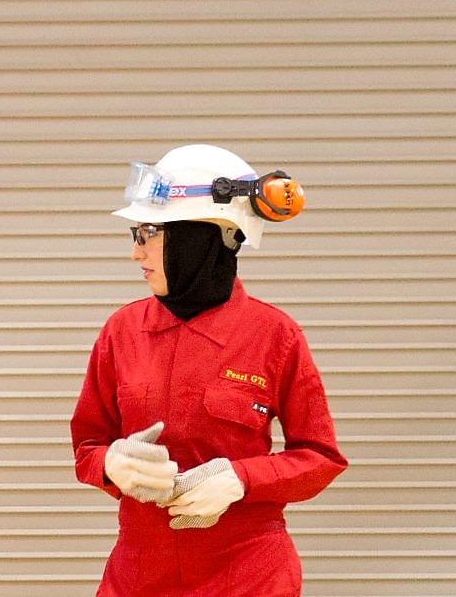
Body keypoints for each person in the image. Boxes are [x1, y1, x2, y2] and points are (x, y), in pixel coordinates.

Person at [70, 144, 348, 596]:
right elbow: (87, 445)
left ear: (202, 238)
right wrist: (112, 464)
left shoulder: (275, 336)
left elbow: (320, 457)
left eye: (150, 233)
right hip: (138, 572)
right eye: (134, 234)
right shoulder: (121, 332)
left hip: (248, 574)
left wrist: (242, 480)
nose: (136, 254)